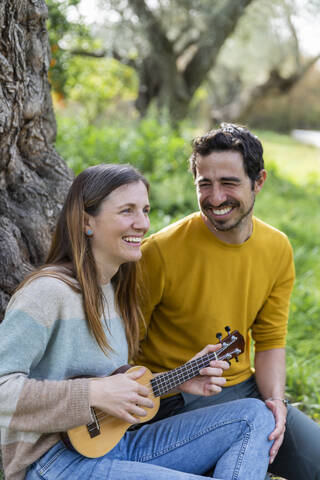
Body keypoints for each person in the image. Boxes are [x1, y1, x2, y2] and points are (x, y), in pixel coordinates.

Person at [0, 163, 275, 480]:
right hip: (53, 465)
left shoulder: (114, 294)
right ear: (87, 222)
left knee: (254, 417)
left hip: (112, 446)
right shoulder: (47, 294)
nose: (142, 223)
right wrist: (92, 393)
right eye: (127, 211)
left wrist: (179, 380)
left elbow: (111, 399)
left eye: (145, 210)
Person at [136, 124, 320, 480]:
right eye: (204, 184)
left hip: (242, 388)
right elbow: (119, 347)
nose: (216, 197)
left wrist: (276, 404)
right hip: (172, 399)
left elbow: (269, 342)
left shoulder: (277, 248)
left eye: (229, 183)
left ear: (259, 181)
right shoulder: (158, 253)